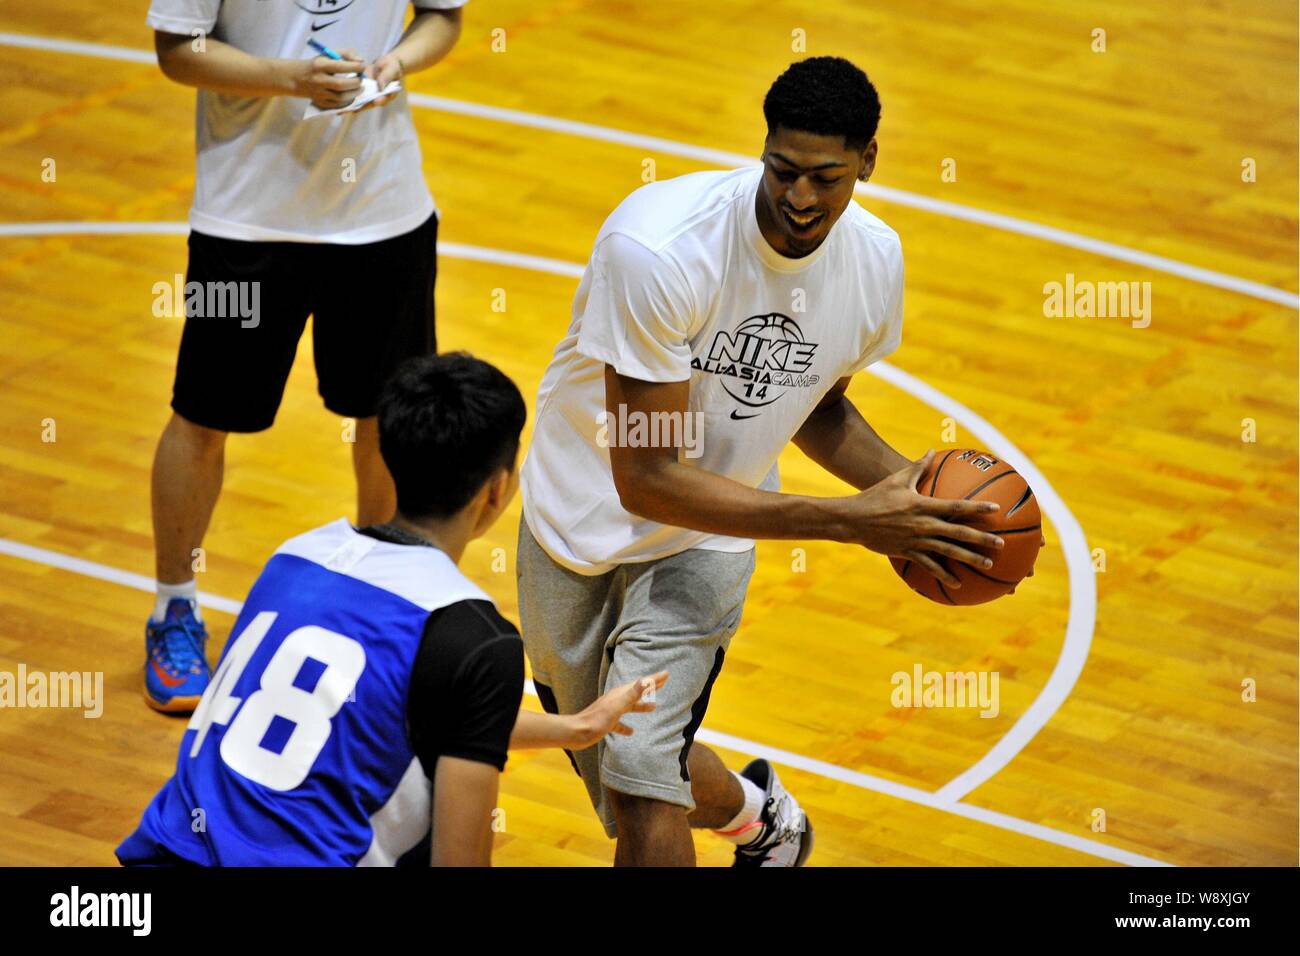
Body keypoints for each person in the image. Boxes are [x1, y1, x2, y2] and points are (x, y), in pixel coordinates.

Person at [517, 56, 1007, 867]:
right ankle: (755, 812)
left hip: (707, 538)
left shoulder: (875, 262)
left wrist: (915, 495)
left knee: (641, 778)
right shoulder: (659, 251)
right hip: (576, 515)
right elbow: (646, 477)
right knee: (612, 758)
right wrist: (847, 523)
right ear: (763, 148)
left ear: (869, 162)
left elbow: (812, 400)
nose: (801, 198)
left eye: (827, 176)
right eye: (783, 171)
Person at [119, 353, 667, 866]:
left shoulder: (298, 555)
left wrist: (575, 728)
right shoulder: (475, 638)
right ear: (497, 492)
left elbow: (400, 709)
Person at [143, 0, 468, 712]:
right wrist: (289, 79)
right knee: (202, 415)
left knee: (386, 419)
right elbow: (177, 50)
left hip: (385, 214)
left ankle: (384, 604)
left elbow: (442, 17)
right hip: (245, 224)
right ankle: (174, 609)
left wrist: (397, 61)